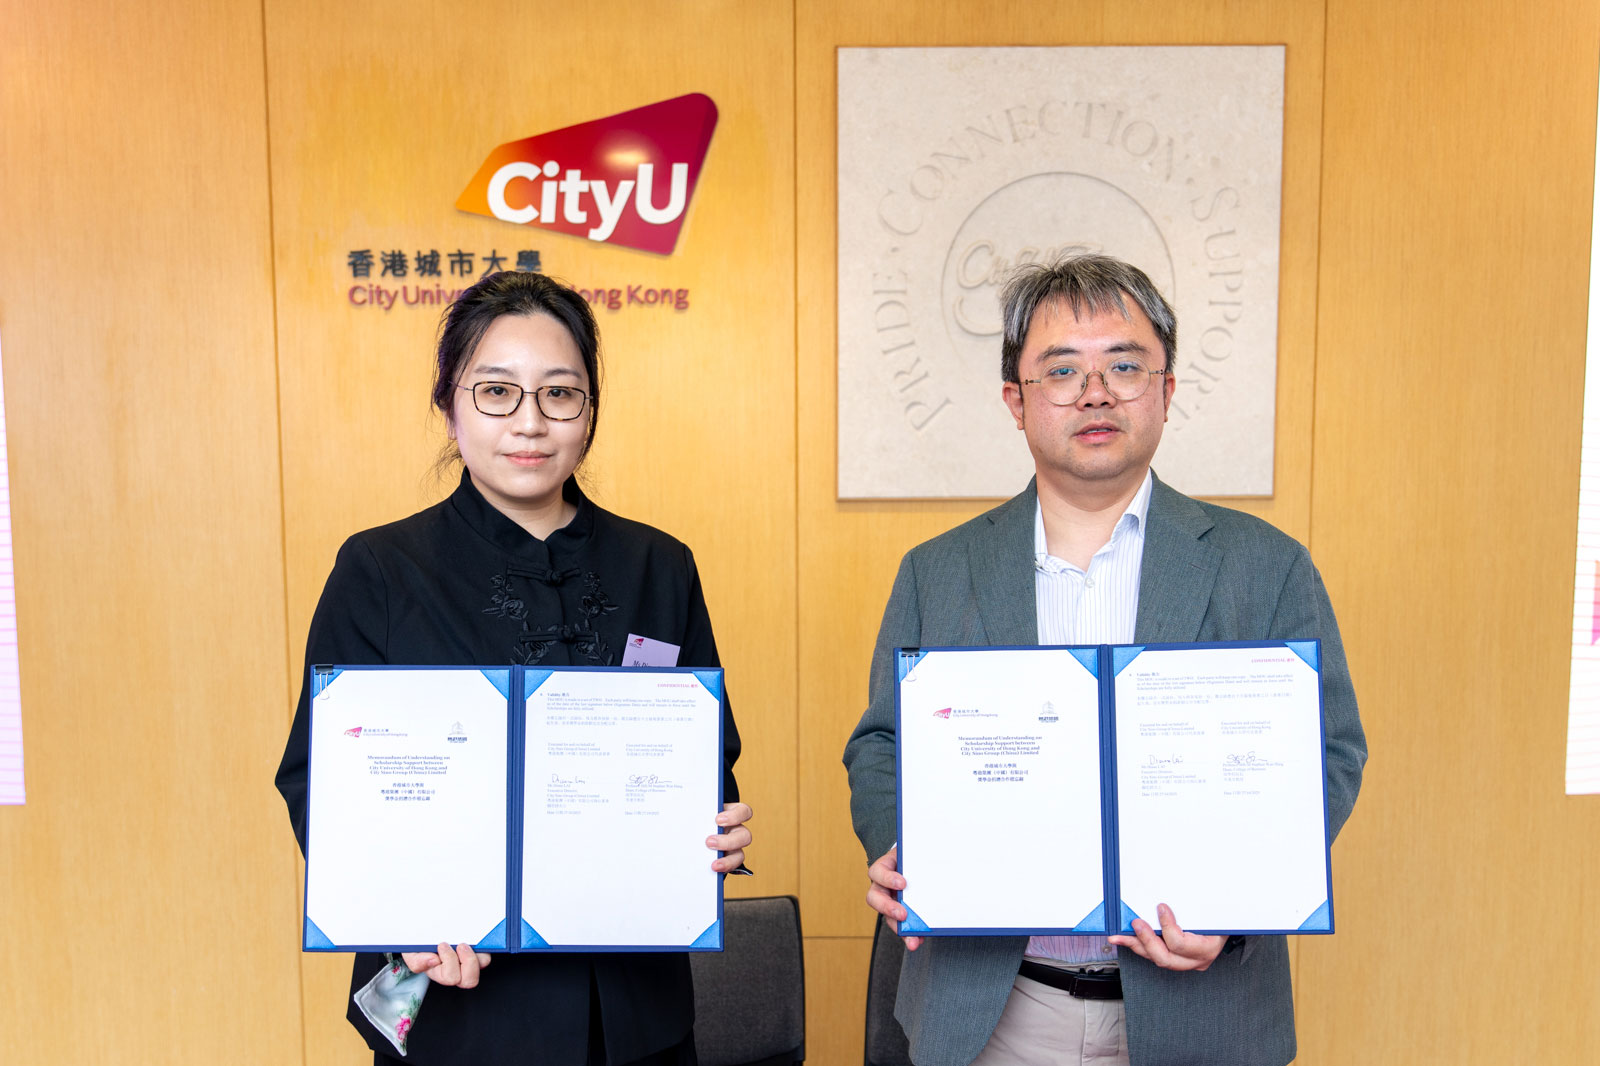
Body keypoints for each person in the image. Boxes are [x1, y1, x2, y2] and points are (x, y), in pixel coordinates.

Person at [843, 254, 1366, 1066]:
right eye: (1062, 371)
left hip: (1200, 1008)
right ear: (1016, 401)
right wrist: (897, 844)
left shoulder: (1267, 565)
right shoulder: (937, 570)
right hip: (994, 1006)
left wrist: (1234, 910)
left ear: (1167, 388)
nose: (1095, 393)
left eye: (1124, 365)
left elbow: (1329, 754)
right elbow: (881, 745)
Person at [275, 270, 753, 1066]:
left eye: (559, 394)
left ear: (590, 409)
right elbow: (318, 781)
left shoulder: (659, 567)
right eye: (498, 392)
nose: (530, 422)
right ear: (449, 404)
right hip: (461, 1010)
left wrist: (718, 830)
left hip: (635, 1017)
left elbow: (709, 766)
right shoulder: (381, 569)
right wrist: (402, 920)